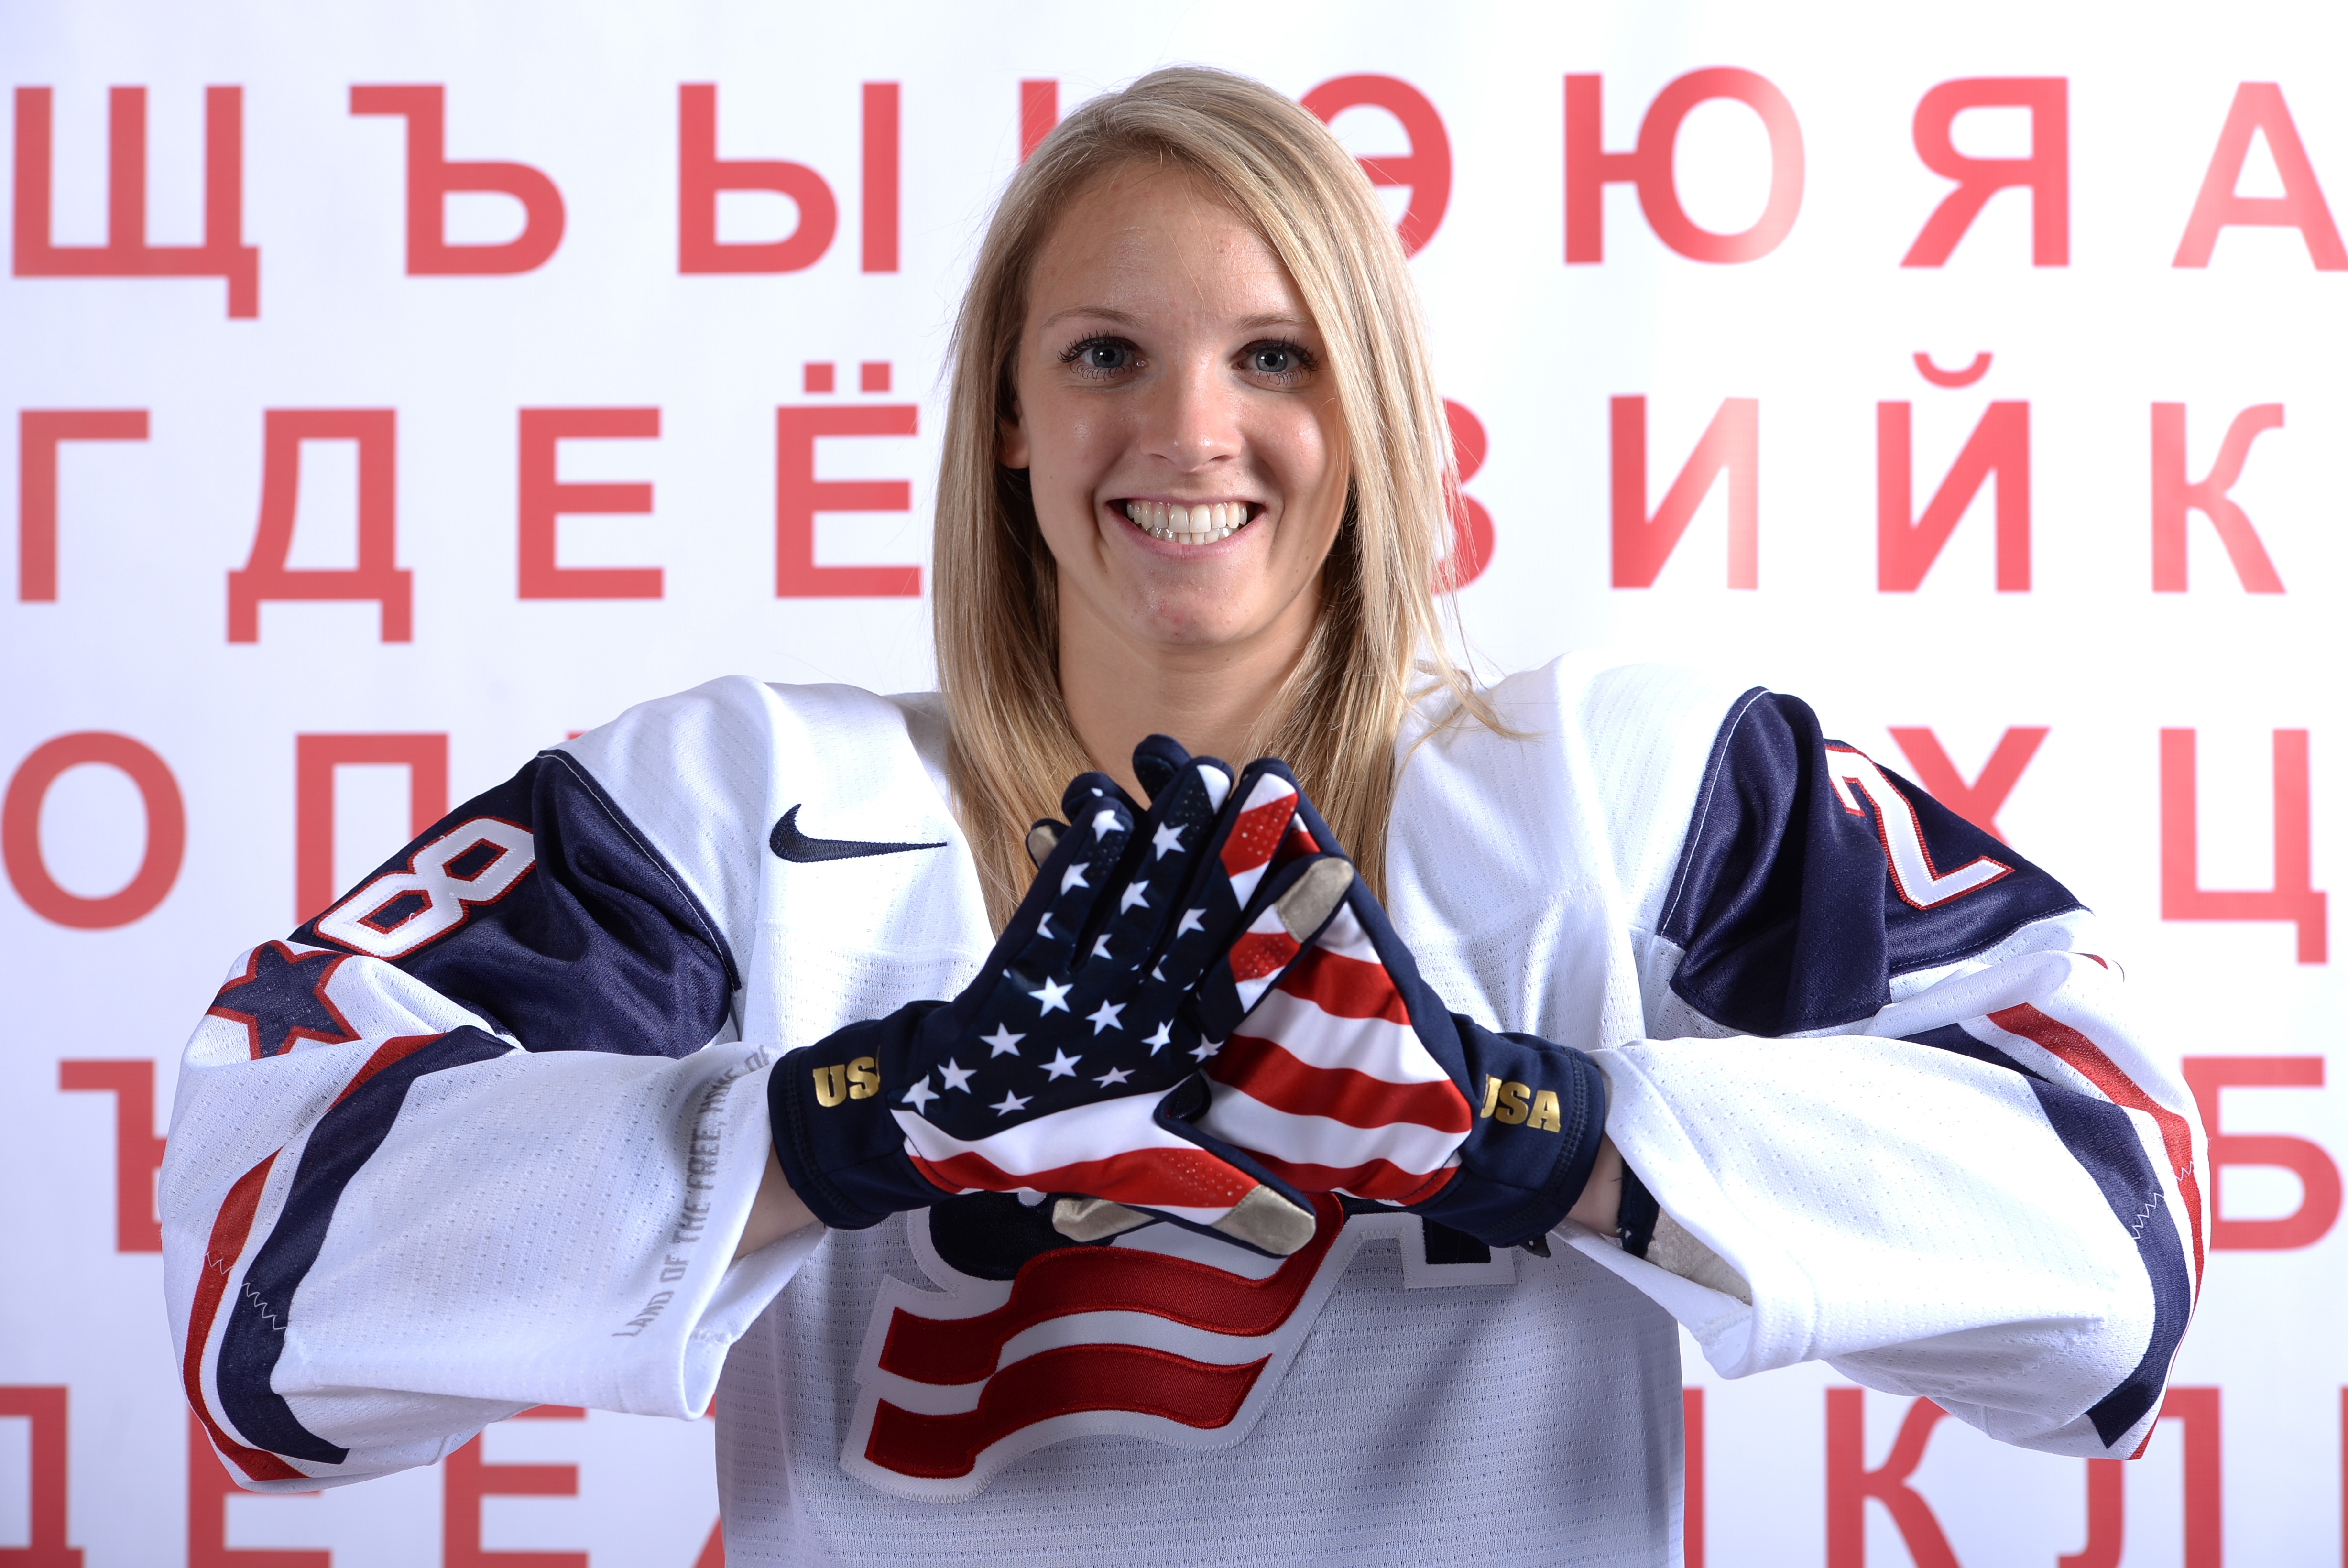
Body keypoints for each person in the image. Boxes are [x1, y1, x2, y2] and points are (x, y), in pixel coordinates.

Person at [164, 67, 2205, 1564]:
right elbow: (263, 1282)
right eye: (1105, 355)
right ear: (1012, 424)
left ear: (1378, 413)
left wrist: (1538, 1134)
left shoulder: (1625, 785)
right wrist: (836, 1125)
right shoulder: (741, 803)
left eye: (1273, 355)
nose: (1187, 433)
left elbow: (2115, 1233)